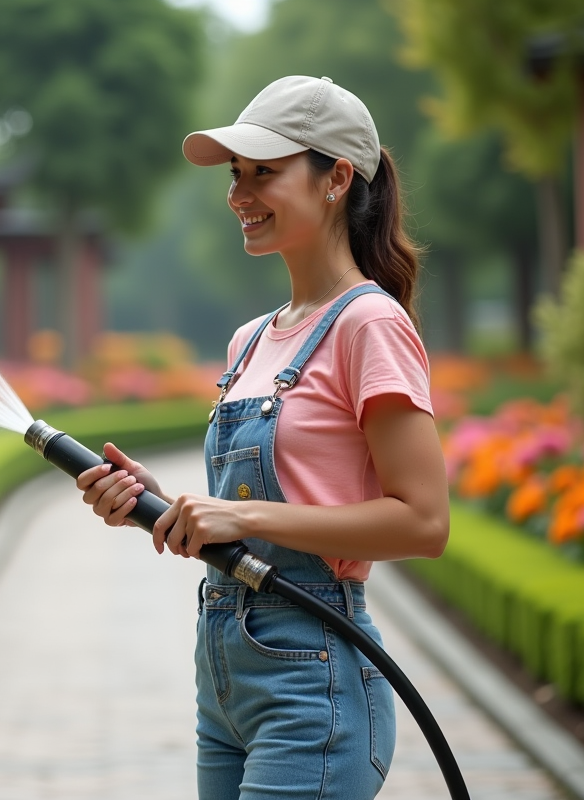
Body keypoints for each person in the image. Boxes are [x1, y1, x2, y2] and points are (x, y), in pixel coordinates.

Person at [75, 75, 449, 800]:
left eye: (264, 172)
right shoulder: (251, 340)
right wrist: (161, 505)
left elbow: (424, 522)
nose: (237, 195)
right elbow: (250, 519)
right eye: (235, 174)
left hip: (315, 685)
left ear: (337, 177)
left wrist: (239, 514)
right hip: (222, 677)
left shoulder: (369, 325)